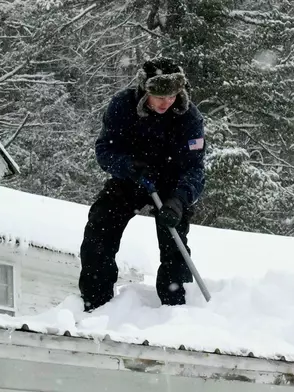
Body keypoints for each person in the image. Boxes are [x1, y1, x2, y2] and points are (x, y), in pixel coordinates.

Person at [79, 56, 206, 312]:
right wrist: (127, 165)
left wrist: (178, 201)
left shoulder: (189, 117)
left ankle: (176, 308)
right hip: (131, 179)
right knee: (100, 226)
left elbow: (195, 168)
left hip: (171, 187)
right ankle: (96, 303)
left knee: (175, 240)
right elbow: (104, 150)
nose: (166, 102)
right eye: (159, 96)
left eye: (171, 96)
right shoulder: (122, 106)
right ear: (144, 90)